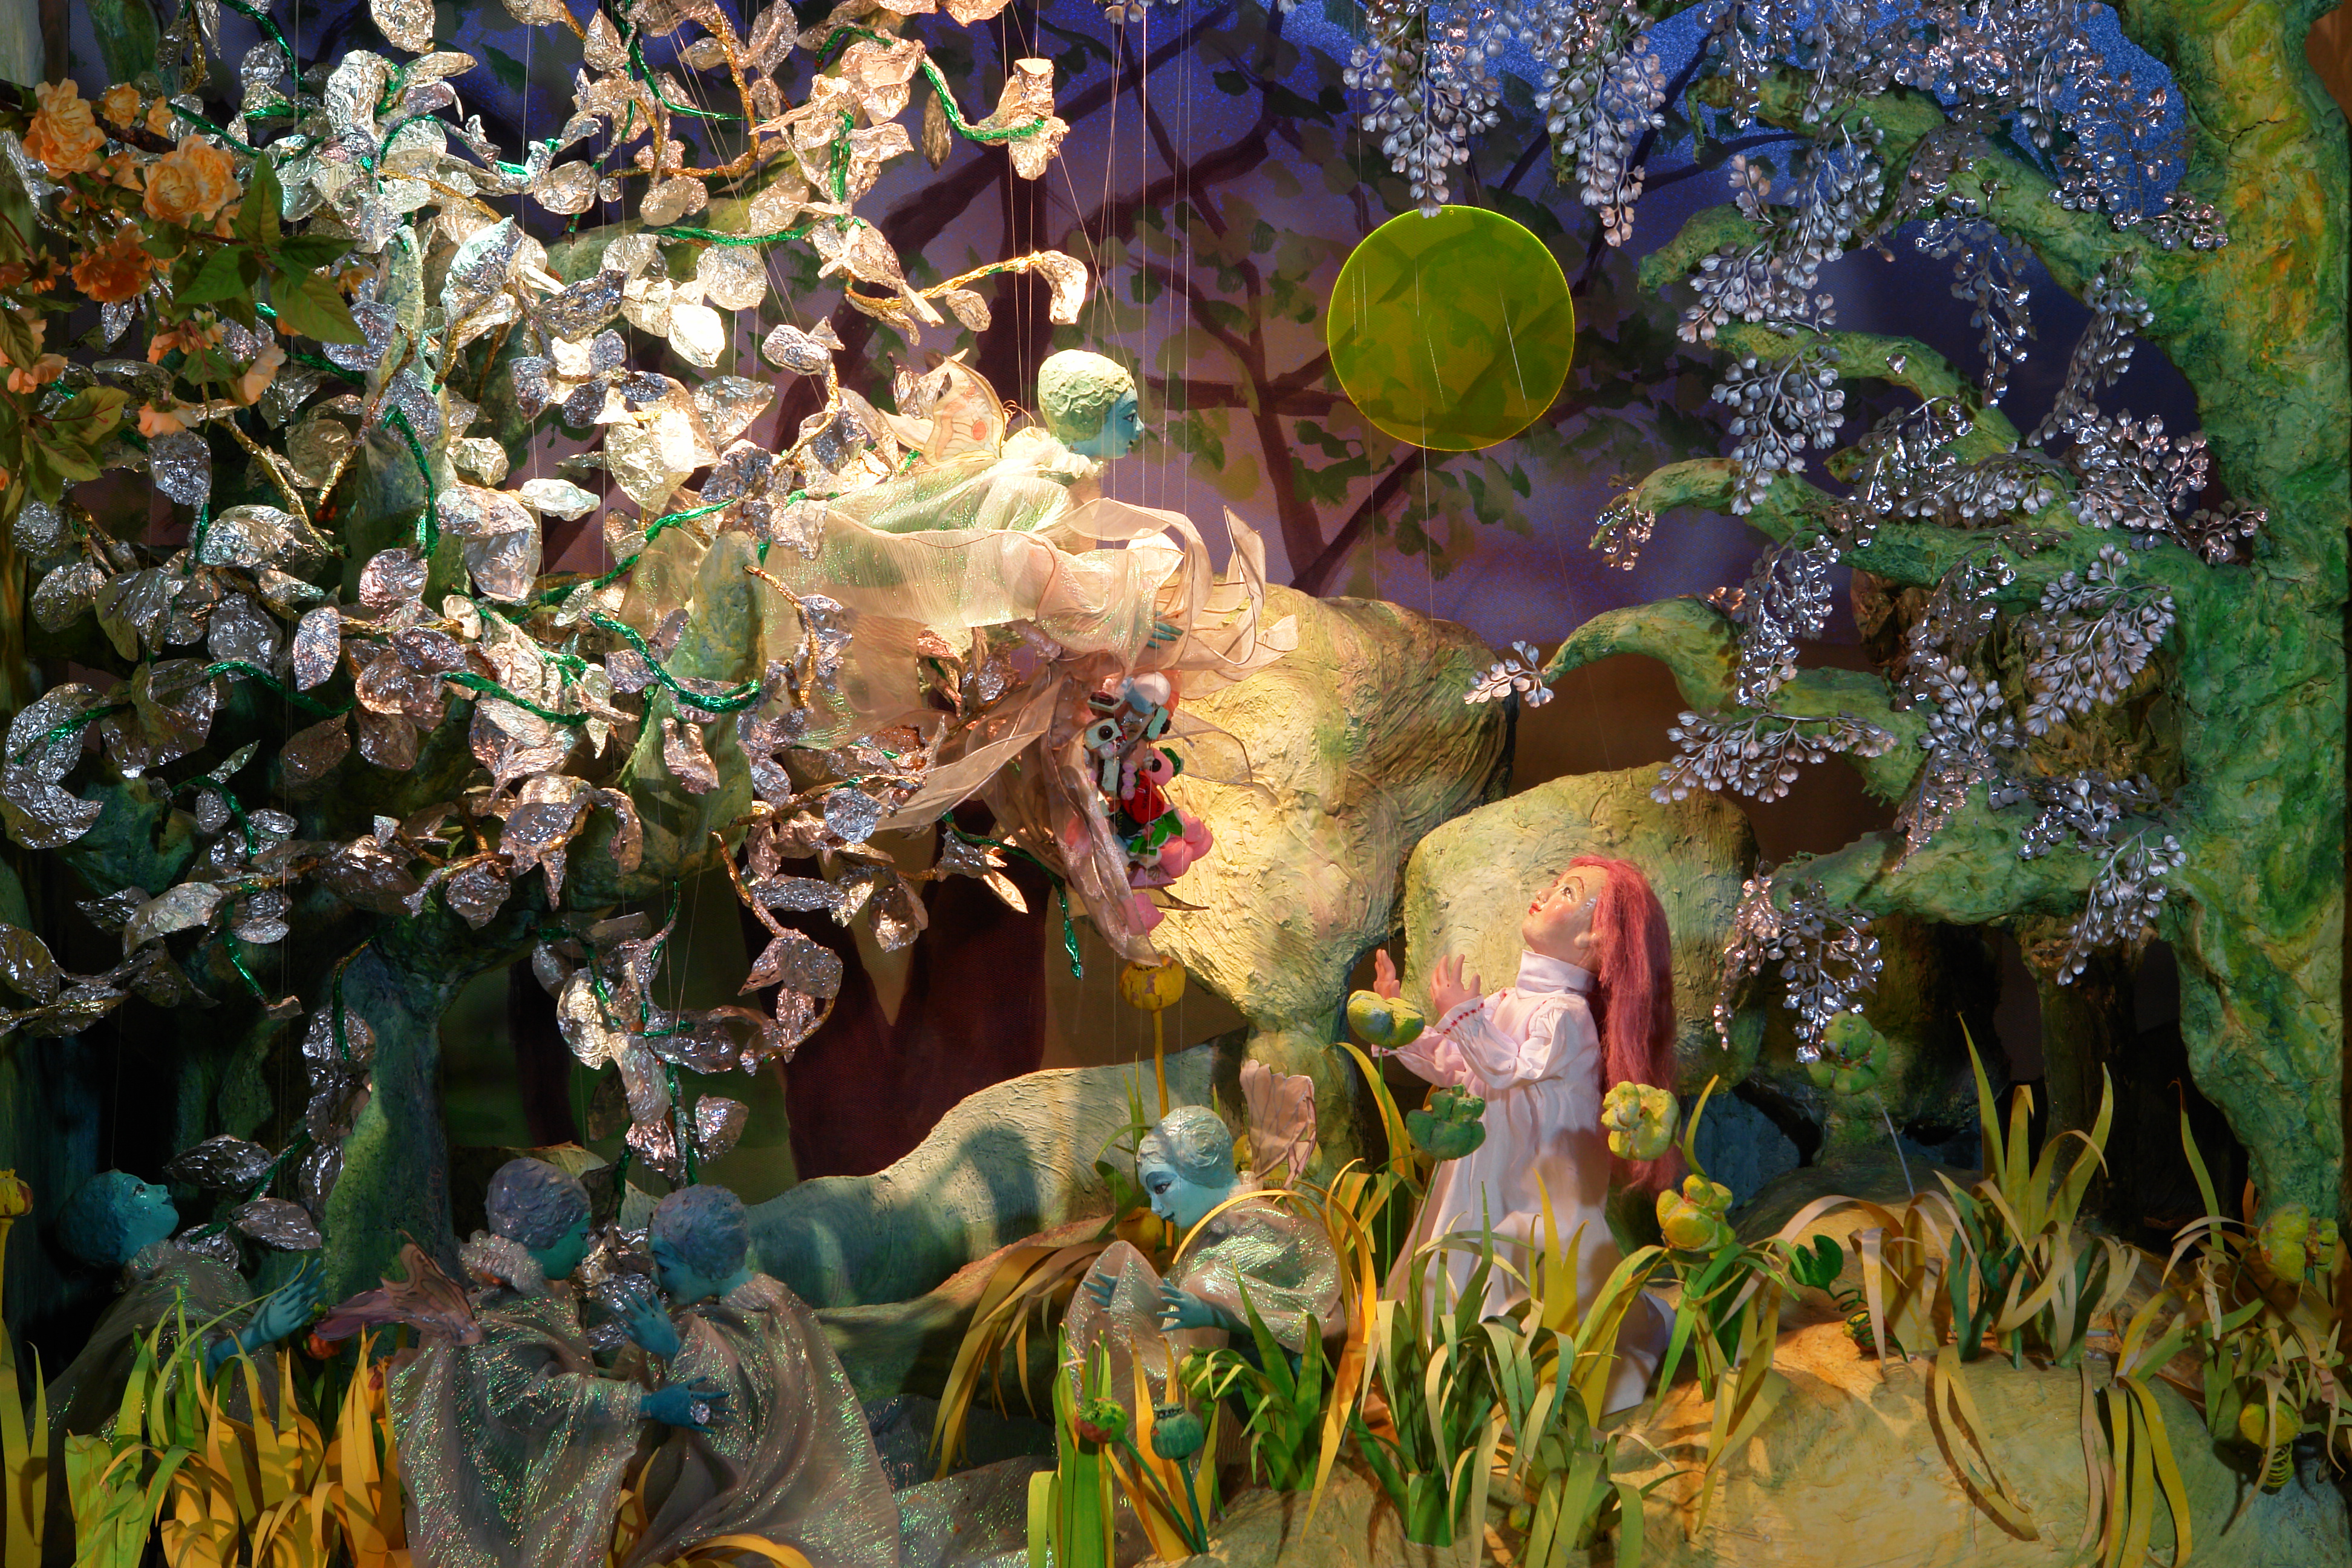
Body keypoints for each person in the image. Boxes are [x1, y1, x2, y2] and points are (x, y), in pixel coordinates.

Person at [1369, 855, 1679, 1413]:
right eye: (1555, 885)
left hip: (1533, 1180)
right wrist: (1396, 1023)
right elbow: (1453, 1063)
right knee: (1461, 1249)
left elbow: (1505, 1068)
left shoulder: (1565, 1015)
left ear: (1595, 939)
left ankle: (1512, 1378)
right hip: (1484, 1167)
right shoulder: (1508, 1003)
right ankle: (1453, 1376)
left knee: (1521, 1270)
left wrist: (1463, 1016)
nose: (1544, 894)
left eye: (1567, 893)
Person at [377, 1158, 728, 1568]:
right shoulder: (502, 1316)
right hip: (500, 1518)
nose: (585, 1249)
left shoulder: (533, 1298)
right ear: (545, 1233)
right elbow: (534, 1399)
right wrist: (646, 1403)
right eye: (579, 1235)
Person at [616, 1184, 901, 1568]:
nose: (655, 1276)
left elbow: (742, 1409)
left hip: (760, 1513)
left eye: (664, 1267)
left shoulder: (760, 1319)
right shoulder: (738, 1305)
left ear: (706, 1264)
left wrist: (672, 1349)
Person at [1065, 1106, 1344, 1421]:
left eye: (1161, 1187)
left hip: (1289, 1393)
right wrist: (1135, 1295)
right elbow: (1180, 1294)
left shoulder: (1259, 1226)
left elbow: (1291, 1317)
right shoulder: (1211, 1234)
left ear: (1198, 1169)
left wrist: (1212, 1314)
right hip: (1241, 1390)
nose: (1155, 1208)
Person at [47, 1171, 320, 1436]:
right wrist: (256, 1335)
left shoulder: (181, 1269)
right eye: (138, 1190)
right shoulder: (156, 1293)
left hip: (255, 1404)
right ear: (118, 1228)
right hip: (226, 1430)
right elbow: (184, 1376)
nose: (161, 1189)